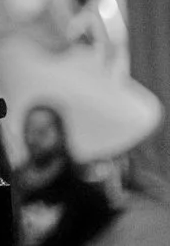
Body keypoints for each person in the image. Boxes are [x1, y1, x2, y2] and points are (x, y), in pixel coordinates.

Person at [15, 105, 116, 246]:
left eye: (42, 131)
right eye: (29, 130)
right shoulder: (12, 185)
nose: (34, 139)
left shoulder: (84, 195)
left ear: (60, 133)